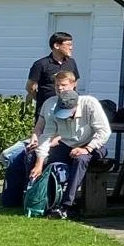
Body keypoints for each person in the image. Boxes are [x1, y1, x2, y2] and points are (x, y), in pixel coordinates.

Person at [17, 68, 112, 219]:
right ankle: (41, 200)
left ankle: (66, 206)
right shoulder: (53, 106)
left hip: (92, 144)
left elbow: (104, 131)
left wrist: (87, 148)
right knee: (44, 160)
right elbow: (46, 136)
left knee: (80, 160)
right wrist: (40, 163)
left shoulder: (90, 104)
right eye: (57, 86)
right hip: (67, 144)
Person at [25, 31, 79, 117]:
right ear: (56, 46)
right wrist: (41, 99)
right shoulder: (40, 64)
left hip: (67, 110)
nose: (71, 48)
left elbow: (75, 83)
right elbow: (30, 87)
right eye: (68, 45)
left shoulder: (71, 63)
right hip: (46, 111)